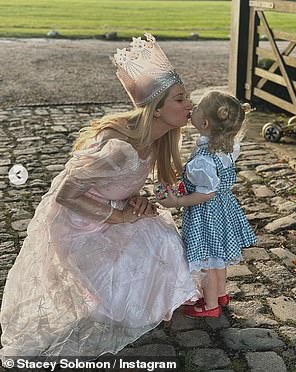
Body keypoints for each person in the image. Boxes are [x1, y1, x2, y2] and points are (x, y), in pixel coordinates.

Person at [0, 33, 196, 360]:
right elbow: (66, 193)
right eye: (180, 98)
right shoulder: (119, 148)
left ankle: (148, 299)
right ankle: (118, 298)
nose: (189, 104)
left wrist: (134, 200)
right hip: (76, 228)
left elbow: (119, 184)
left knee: (162, 236)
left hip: (107, 211)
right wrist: (119, 216)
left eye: (186, 96)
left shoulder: (158, 141)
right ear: (157, 109)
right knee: (125, 284)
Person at [159, 91, 256, 318]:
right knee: (218, 256)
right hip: (224, 209)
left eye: (198, 107)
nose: (191, 107)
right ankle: (221, 293)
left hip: (207, 214)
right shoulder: (228, 147)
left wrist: (178, 201)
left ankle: (210, 305)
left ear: (203, 123)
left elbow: (206, 193)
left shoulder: (203, 160)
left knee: (208, 261)